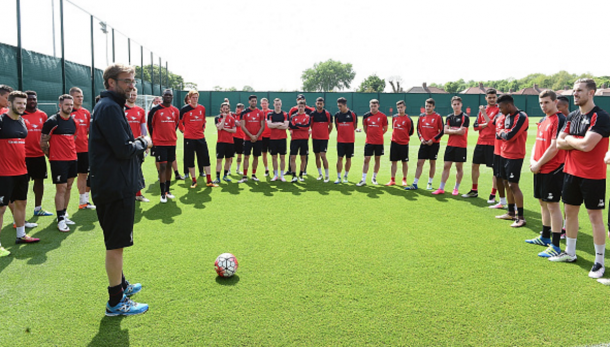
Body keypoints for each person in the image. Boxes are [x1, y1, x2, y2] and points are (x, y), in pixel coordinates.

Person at [90, 63, 150, 316]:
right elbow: (124, 149)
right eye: (126, 81)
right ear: (111, 83)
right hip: (115, 187)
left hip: (115, 184)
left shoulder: (110, 106)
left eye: (132, 81)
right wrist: (143, 142)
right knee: (116, 244)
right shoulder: (109, 108)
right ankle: (116, 302)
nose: (132, 85)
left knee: (116, 242)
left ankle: (121, 285)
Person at [551, 79, 610, 280]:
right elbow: (559, 143)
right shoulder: (573, 115)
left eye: (579, 91)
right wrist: (571, 141)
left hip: (593, 176)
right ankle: (570, 252)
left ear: (591, 93)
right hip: (570, 172)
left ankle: (599, 262)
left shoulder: (600, 117)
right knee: (570, 213)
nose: (575, 94)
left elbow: (587, 146)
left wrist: (569, 140)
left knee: (595, 218)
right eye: (574, 91)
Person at [525, 90, 566, 257]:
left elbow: (555, 147)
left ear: (555, 102)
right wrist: (533, 161)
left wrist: (539, 163)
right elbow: (537, 143)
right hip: (539, 168)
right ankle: (545, 236)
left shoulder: (560, 119)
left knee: (553, 205)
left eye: (547, 102)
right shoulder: (543, 120)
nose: (543, 106)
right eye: (541, 103)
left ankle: (556, 245)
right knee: (542, 202)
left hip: (553, 169)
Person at [0, 91, 41, 257]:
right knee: (1, 209)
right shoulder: (2, 120)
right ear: (9, 103)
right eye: (19, 103)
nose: (22, 106)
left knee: (22, 203)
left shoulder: (22, 121)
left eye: (24, 104)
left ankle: (21, 235)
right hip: (3, 173)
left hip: (21, 171)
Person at [41, 94, 78, 232]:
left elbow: (73, 138)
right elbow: (43, 142)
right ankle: (60, 219)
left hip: (72, 159)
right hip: (58, 161)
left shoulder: (74, 122)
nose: (69, 107)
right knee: (61, 188)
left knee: (68, 187)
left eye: (71, 104)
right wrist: (52, 156)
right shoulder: (52, 121)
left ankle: (64, 213)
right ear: (60, 105)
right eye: (67, 104)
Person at [494, 94, 529, 228]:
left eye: (501, 107)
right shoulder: (506, 116)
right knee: (506, 183)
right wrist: (503, 132)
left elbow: (509, 136)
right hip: (503, 154)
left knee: (514, 185)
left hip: (515, 155)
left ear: (508, 105)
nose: (500, 110)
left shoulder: (521, 116)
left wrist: (503, 132)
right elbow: (499, 134)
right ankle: (510, 212)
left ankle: (520, 217)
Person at [463, 89, 499, 201]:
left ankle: (493, 194)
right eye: (490, 97)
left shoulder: (499, 110)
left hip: (493, 143)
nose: (492, 99)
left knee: (495, 169)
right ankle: (474, 190)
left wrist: (484, 116)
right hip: (481, 142)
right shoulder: (482, 110)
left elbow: (493, 126)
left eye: (494, 97)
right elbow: (474, 126)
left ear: (496, 97)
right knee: (474, 165)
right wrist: (485, 123)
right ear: (486, 98)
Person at [22, 90, 54, 215]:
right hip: (23, 156)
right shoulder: (19, 116)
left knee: (39, 181)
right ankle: (20, 214)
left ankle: (38, 208)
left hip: (39, 155)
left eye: (34, 99)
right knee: (22, 185)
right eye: (29, 99)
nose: (32, 101)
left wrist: (48, 153)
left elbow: (46, 136)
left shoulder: (43, 115)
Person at [179, 90, 217, 188]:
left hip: (200, 137)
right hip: (189, 138)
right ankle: (194, 181)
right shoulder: (184, 109)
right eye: (193, 97)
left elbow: (204, 121)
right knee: (190, 159)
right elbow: (179, 123)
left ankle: (209, 180)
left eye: (196, 97)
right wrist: (184, 131)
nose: (195, 99)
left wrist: (202, 129)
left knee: (206, 158)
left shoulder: (202, 108)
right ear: (189, 98)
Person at [148, 89, 180, 203]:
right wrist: (154, 139)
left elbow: (175, 124)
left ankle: (167, 191)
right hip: (159, 143)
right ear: (162, 96)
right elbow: (150, 124)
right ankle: (162, 193)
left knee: (169, 166)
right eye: (166, 95)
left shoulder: (175, 110)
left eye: (170, 95)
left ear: (172, 97)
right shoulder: (155, 110)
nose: (168, 97)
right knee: (162, 166)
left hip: (171, 142)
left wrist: (170, 134)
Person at [432, 96, 469, 195]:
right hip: (450, 145)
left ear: (461, 105)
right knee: (446, 166)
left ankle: (456, 188)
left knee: (459, 167)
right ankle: (441, 188)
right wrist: (456, 130)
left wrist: (451, 130)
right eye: (454, 104)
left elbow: (462, 132)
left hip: (461, 146)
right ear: (451, 105)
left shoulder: (465, 117)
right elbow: (445, 131)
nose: (456, 106)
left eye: (458, 104)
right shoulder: (449, 117)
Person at [406, 98, 444, 190]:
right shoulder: (421, 116)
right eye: (426, 106)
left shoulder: (438, 116)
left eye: (430, 106)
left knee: (432, 163)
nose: (428, 108)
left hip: (434, 144)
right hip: (424, 143)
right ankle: (415, 183)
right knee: (420, 163)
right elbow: (418, 129)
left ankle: (430, 183)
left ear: (433, 107)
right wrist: (421, 138)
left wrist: (433, 139)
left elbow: (442, 131)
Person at [69, 87, 95, 210]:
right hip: (70, 150)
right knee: (69, 179)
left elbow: (89, 131)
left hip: (84, 149)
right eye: (77, 96)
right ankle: (63, 209)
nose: (80, 99)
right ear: (71, 98)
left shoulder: (86, 113)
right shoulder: (67, 113)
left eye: (81, 96)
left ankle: (83, 201)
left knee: (83, 174)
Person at [125, 88, 150, 202]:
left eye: (134, 94)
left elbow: (143, 128)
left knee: (138, 169)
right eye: (130, 94)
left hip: (138, 145)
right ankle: (127, 195)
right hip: (125, 145)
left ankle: (138, 194)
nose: (132, 96)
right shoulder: (121, 109)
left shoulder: (140, 110)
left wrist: (145, 144)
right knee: (125, 170)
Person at [357, 99, 388, 186]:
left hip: (379, 142)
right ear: (369, 106)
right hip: (369, 141)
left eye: (375, 106)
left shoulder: (383, 116)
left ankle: (374, 178)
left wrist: (378, 135)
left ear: (378, 106)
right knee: (366, 159)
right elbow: (365, 128)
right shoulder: (366, 116)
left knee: (377, 159)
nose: (373, 108)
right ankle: (363, 179)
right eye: (372, 106)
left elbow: (385, 128)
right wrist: (370, 135)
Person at [238, 95, 265, 183]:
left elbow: (262, 126)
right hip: (247, 139)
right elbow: (242, 126)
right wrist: (251, 136)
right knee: (246, 156)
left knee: (256, 157)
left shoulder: (260, 112)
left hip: (258, 139)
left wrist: (256, 136)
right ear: (249, 102)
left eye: (255, 101)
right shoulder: (244, 112)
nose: (254, 102)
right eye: (252, 101)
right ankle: (245, 176)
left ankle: (253, 175)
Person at [386, 100, 414, 186]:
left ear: (405, 107)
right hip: (394, 142)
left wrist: (403, 137)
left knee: (404, 162)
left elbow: (411, 131)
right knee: (393, 162)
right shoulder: (394, 117)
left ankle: (404, 179)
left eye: (401, 107)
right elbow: (393, 128)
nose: (400, 109)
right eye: (398, 108)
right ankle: (392, 179)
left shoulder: (408, 119)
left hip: (404, 143)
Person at [287, 94, 314, 176]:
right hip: (294, 136)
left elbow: (309, 124)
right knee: (292, 155)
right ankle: (290, 170)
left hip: (305, 136)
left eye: (301, 99)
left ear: (305, 100)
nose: (299, 100)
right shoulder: (293, 110)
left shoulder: (309, 110)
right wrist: (291, 129)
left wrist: (308, 129)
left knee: (304, 154)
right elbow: (290, 124)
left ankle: (303, 171)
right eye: (298, 99)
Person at [334, 97, 357, 184]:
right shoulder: (337, 115)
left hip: (350, 141)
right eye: (338, 106)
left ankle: (346, 176)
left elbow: (354, 126)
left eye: (340, 106)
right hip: (340, 141)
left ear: (345, 105)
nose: (339, 107)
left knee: (348, 158)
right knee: (340, 158)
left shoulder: (352, 114)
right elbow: (337, 127)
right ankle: (339, 177)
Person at [310, 97, 333, 182]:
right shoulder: (312, 114)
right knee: (317, 156)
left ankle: (327, 175)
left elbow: (331, 126)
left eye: (321, 104)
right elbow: (311, 125)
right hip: (315, 138)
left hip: (324, 139)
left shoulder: (327, 114)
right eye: (318, 103)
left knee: (323, 155)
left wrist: (326, 134)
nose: (319, 105)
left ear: (323, 104)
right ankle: (320, 174)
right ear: (316, 104)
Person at [267, 98, 290, 182]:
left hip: (282, 138)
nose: (278, 106)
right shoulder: (270, 114)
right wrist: (280, 123)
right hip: (273, 139)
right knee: (274, 157)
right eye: (276, 104)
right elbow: (269, 125)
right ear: (273, 105)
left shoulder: (285, 114)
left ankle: (281, 175)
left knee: (282, 157)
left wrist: (275, 124)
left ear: (281, 104)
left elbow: (285, 126)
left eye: (279, 104)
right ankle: (276, 175)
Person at [213, 102, 236, 184]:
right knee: (219, 160)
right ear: (221, 109)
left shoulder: (232, 118)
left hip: (230, 142)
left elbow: (234, 130)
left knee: (228, 160)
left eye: (227, 108)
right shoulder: (217, 118)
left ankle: (225, 176)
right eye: (224, 108)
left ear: (228, 109)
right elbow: (219, 127)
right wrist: (224, 118)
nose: (225, 110)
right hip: (221, 142)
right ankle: (217, 177)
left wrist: (225, 129)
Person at [232, 103, 246, 175]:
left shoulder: (244, 116)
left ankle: (238, 168)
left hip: (241, 138)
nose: (237, 111)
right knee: (231, 154)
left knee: (240, 154)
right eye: (236, 109)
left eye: (239, 110)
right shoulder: (233, 115)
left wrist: (237, 122)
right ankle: (228, 169)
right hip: (233, 137)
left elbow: (240, 124)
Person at [260, 98, 272, 177]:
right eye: (262, 103)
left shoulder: (272, 112)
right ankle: (266, 169)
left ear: (268, 104)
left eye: (265, 103)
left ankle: (275, 169)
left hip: (272, 136)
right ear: (261, 104)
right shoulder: (259, 113)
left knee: (274, 154)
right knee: (264, 153)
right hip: (262, 137)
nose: (264, 105)